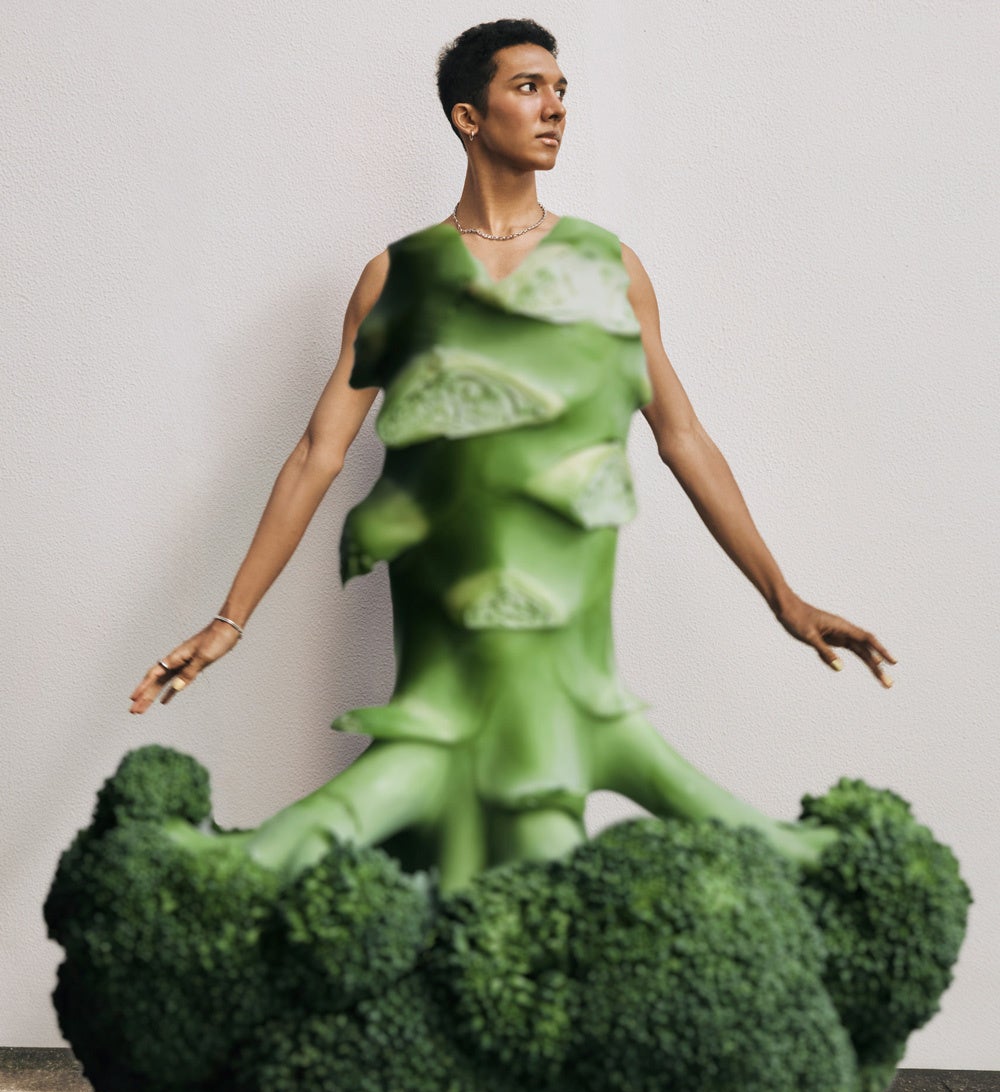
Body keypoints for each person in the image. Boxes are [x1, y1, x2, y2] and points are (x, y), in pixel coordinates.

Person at [130, 20, 894, 716]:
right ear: (469, 116)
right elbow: (315, 455)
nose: (555, 107)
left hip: (561, 632)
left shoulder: (605, 265)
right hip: (435, 633)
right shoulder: (396, 277)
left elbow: (682, 437)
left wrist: (783, 597)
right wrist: (230, 619)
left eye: (561, 90)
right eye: (529, 88)